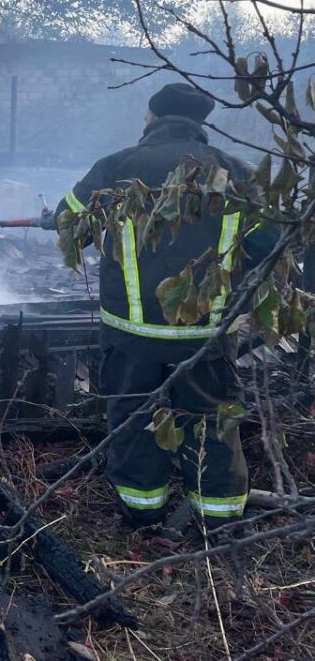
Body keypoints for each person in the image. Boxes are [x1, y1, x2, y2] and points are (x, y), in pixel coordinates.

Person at [54, 83, 274, 530]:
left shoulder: (116, 167)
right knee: (212, 420)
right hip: (207, 334)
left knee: (133, 419)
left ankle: (142, 512)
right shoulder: (237, 173)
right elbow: (270, 244)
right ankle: (219, 520)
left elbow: (68, 222)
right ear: (201, 122)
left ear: (153, 116)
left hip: (131, 333)